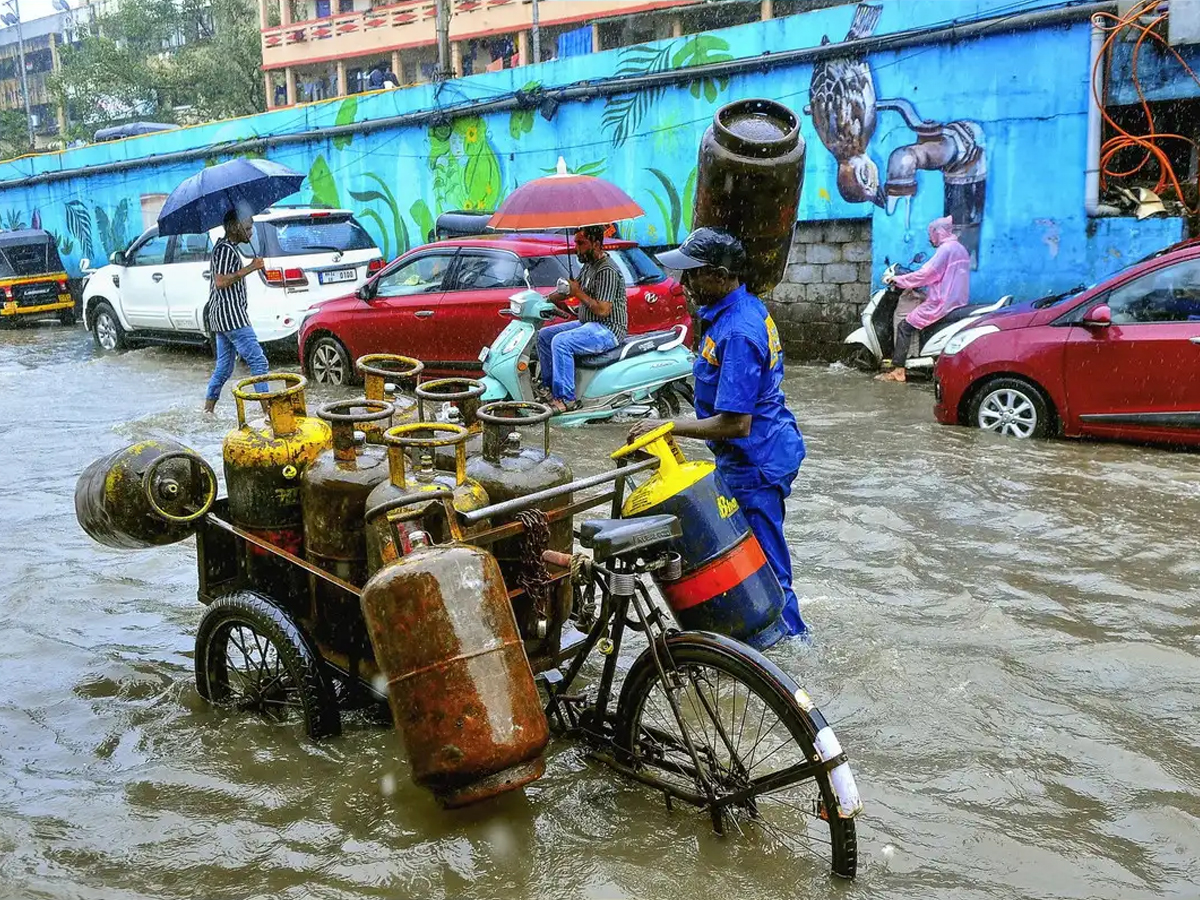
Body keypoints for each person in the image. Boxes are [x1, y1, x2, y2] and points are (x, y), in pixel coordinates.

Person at [628, 227, 808, 637]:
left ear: (721, 274)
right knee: (744, 557)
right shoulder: (734, 312)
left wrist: (669, 424)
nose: (684, 284)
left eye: (693, 274)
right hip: (754, 450)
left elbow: (735, 422)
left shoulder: (739, 331)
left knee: (766, 565)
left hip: (757, 460)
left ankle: (794, 650)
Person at [536, 225, 627, 413]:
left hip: (607, 329)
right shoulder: (588, 266)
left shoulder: (606, 270)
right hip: (587, 324)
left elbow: (603, 310)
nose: (576, 248)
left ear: (596, 243)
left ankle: (566, 399)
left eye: (581, 243)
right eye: (576, 242)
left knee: (561, 342)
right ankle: (548, 388)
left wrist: (577, 292)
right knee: (544, 335)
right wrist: (544, 300)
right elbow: (570, 290)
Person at [876, 215, 970, 383]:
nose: (930, 237)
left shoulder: (946, 250)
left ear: (938, 232)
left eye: (931, 233)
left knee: (904, 326)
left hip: (941, 302)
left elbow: (927, 274)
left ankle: (898, 371)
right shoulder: (960, 249)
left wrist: (898, 280)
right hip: (957, 300)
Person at [203, 210, 268, 415]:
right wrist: (250, 267)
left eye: (251, 228)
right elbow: (221, 281)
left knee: (224, 369)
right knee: (258, 361)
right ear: (233, 228)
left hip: (223, 317)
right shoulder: (225, 250)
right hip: (231, 317)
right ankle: (268, 413)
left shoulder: (228, 248)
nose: (250, 232)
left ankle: (207, 412)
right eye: (247, 228)